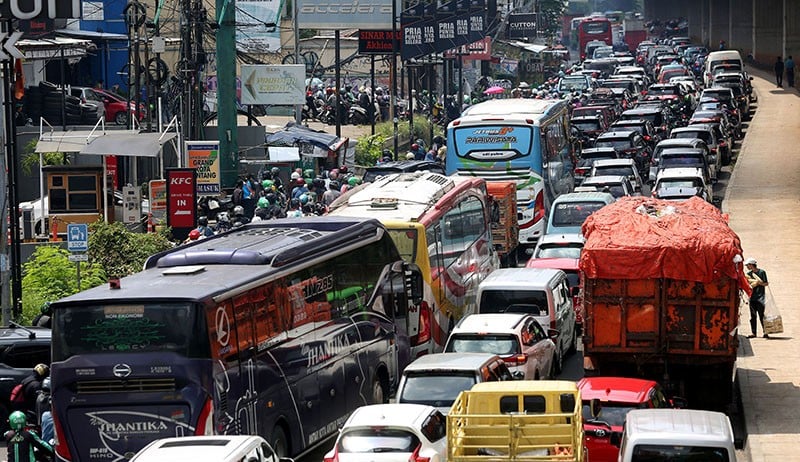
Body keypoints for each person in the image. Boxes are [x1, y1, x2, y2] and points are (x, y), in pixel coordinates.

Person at [745, 258, 769, 338]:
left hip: (760, 297)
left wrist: (759, 283)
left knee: (762, 315)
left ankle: (765, 332)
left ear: (751, 265)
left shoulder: (762, 272)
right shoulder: (748, 274)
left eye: (747, 265)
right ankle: (753, 333)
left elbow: (766, 284)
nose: (747, 267)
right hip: (752, 297)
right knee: (753, 316)